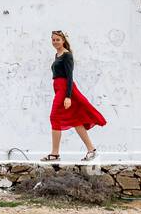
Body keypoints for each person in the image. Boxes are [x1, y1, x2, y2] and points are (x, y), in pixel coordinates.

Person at [42, 29, 106, 162]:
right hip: (59, 89)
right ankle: (91, 150)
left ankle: (55, 154)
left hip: (65, 90)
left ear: (63, 40)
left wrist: (68, 96)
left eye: (57, 39)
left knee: (54, 117)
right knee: (76, 120)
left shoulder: (67, 55)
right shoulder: (57, 55)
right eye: (53, 40)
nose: (55, 42)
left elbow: (70, 77)